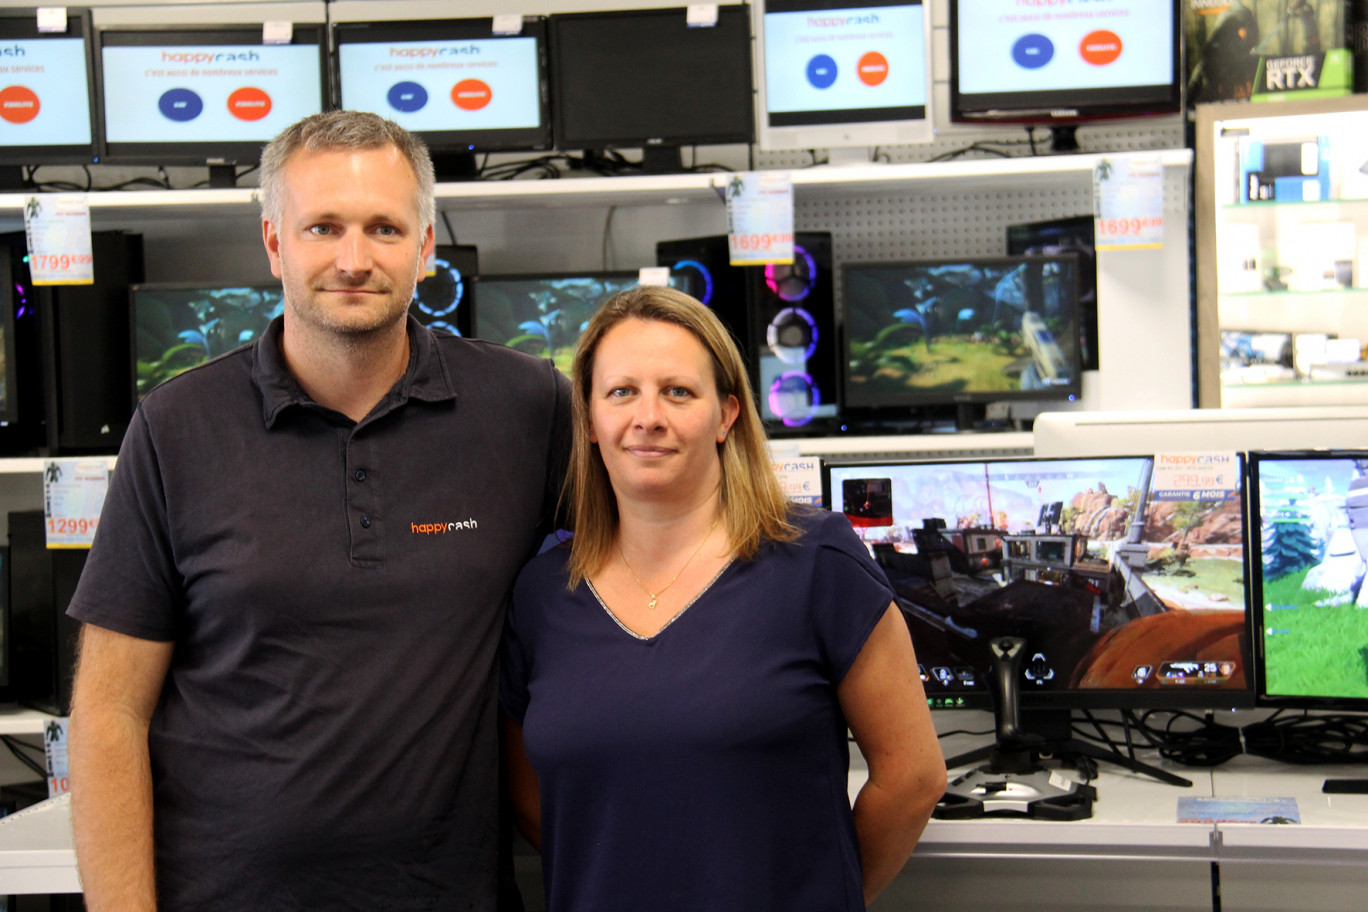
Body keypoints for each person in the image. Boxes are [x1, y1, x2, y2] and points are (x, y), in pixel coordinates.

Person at [65, 111, 570, 912]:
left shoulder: (528, 406)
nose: (354, 259)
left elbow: (657, 549)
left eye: (384, 228)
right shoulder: (177, 426)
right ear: (274, 243)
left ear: (426, 245)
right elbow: (108, 709)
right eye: (322, 227)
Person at [500, 285, 946, 911]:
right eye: (621, 391)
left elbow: (913, 778)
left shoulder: (816, 562)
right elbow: (533, 800)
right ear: (591, 420)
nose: (647, 416)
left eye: (678, 392)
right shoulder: (543, 594)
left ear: (727, 414)